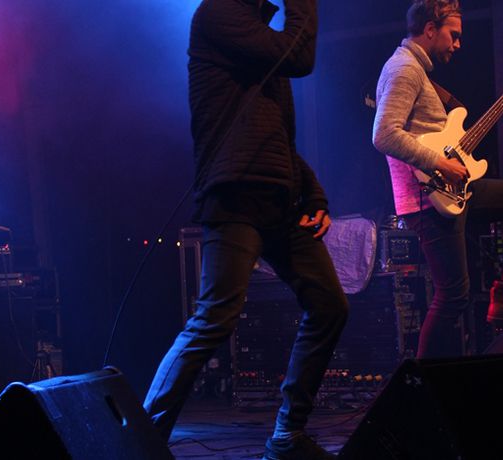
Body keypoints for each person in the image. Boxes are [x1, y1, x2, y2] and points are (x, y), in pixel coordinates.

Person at [144, 1, 348, 459]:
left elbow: (276, 137)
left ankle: (287, 435)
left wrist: (313, 193)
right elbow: (300, 56)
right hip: (235, 195)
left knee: (329, 306)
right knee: (214, 318)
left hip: (279, 200)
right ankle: (141, 440)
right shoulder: (219, 13)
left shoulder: (258, 34)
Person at [372, 0, 503, 359]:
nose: (458, 44)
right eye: (453, 35)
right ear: (430, 29)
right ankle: (423, 381)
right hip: (428, 198)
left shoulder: (416, 71)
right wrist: (440, 163)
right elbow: (384, 135)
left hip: (454, 190)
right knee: (453, 295)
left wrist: (448, 161)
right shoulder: (404, 69)